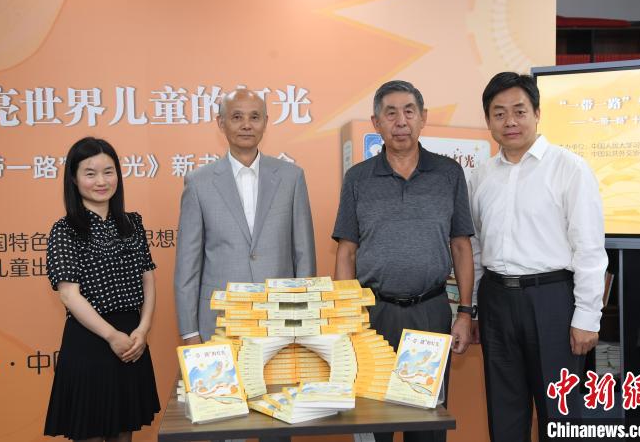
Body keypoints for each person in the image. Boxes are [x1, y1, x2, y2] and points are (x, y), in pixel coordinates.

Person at [332, 80, 475, 442]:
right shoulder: (358, 178)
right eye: (390, 113)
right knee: (372, 422)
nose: (401, 121)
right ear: (376, 122)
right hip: (373, 316)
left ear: (422, 117)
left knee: (425, 426)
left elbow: (461, 246)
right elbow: (346, 252)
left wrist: (464, 313)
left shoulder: (448, 174)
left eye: (409, 111)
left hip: (430, 314)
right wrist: (347, 320)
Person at [469, 72, 608, 442]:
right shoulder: (480, 176)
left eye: (519, 111)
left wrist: (587, 316)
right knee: (504, 412)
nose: (510, 121)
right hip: (496, 300)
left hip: (552, 301)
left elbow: (590, 249)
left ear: (537, 113)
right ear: (488, 121)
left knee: (559, 415)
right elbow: (476, 248)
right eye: (499, 113)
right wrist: (476, 308)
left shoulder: (569, 168)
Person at [174, 87, 316, 343]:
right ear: (221, 123)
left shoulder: (291, 177)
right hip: (219, 322)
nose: (246, 125)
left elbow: (304, 256)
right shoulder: (198, 183)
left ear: (265, 122)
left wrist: (304, 321)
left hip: (281, 319)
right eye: (237, 117)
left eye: (255, 117)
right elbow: (188, 265)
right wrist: (190, 331)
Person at [44, 137, 160, 442]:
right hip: (90, 341)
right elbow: (69, 294)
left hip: (132, 340)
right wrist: (111, 336)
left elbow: (148, 278)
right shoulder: (65, 229)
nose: (101, 181)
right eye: (90, 173)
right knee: (91, 433)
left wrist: (143, 329)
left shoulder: (132, 223)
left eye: (108, 172)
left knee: (124, 432)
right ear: (74, 178)